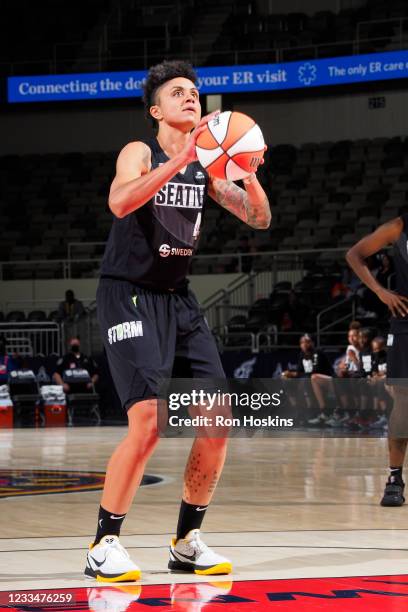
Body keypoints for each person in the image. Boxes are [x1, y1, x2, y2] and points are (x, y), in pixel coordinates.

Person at [85, 60, 271, 582]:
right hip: (129, 294)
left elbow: (259, 218)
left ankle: (186, 542)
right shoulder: (139, 151)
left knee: (217, 420)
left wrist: (246, 172)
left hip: (178, 299)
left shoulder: (208, 166)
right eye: (177, 92)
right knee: (148, 421)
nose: (190, 97)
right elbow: (120, 202)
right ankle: (103, 545)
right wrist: (183, 158)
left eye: (194, 91)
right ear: (156, 109)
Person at [346, 215, 408, 506]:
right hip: (405, 324)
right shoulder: (399, 227)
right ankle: (394, 477)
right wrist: (381, 292)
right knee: (404, 401)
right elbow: (355, 255)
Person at [281, 334, 333, 425]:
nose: (304, 344)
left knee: (305, 380)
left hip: (322, 380)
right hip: (308, 378)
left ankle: (312, 412)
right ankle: (298, 412)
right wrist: (289, 374)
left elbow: (316, 371)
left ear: (312, 343)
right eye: (302, 343)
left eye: (307, 342)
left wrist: (296, 374)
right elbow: (299, 371)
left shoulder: (317, 353)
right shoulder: (302, 355)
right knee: (287, 381)